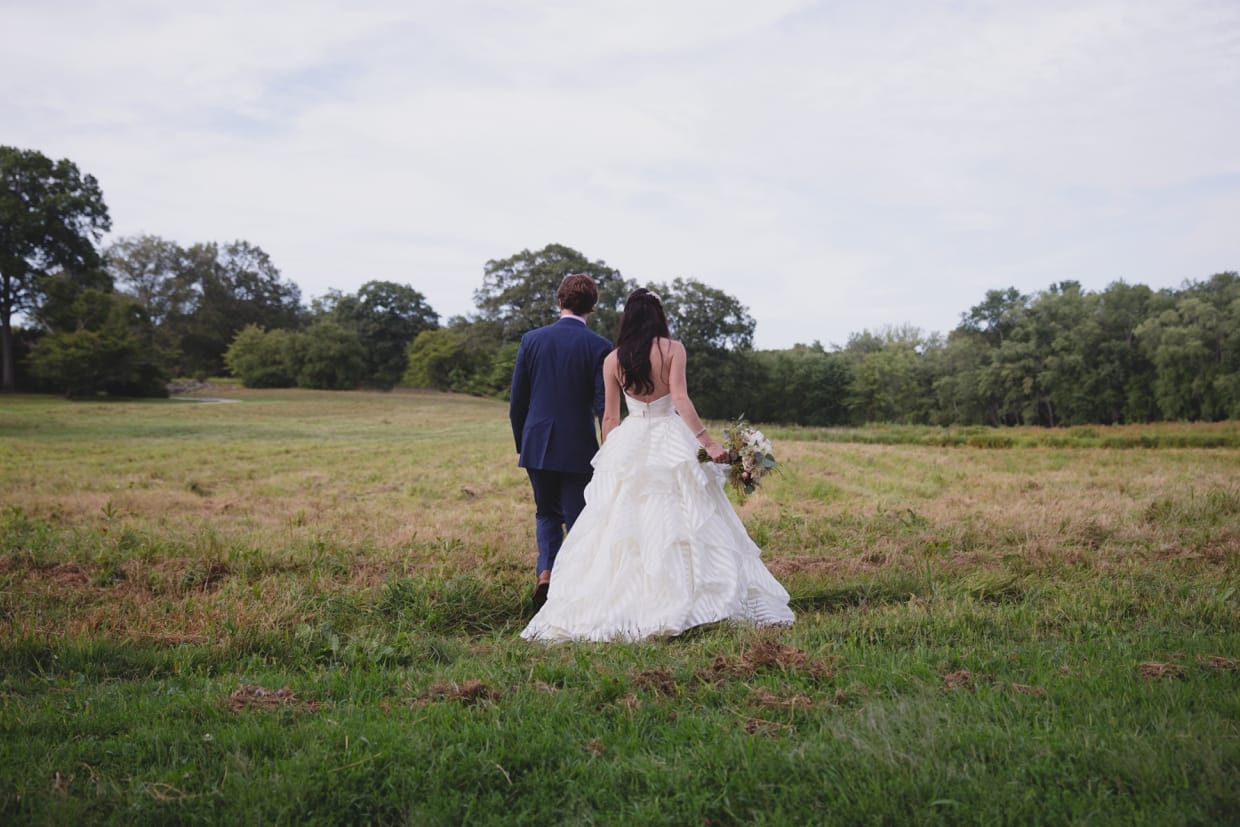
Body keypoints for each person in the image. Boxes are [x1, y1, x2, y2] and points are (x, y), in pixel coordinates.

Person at [521, 287, 794, 642]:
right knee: (684, 515)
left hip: (630, 437)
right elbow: (680, 398)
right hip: (670, 436)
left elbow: (609, 416)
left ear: (627, 319)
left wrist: (611, 456)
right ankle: (691, 595)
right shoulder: (673, 349)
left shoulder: (613, 359)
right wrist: (707, 442)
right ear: (659, 317)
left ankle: (630, 600)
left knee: (624, 521)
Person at [509, 273, 613, 611]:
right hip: (577, 447)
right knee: (578, 517)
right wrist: (610, 448)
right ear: (592, 307)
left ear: (560, 301)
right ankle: (577, 589)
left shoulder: (532, 340)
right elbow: (603, 405)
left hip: (536, 442)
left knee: (546, 513)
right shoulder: (598, 346)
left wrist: (522, 443)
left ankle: (547, 572)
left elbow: (517, 402)